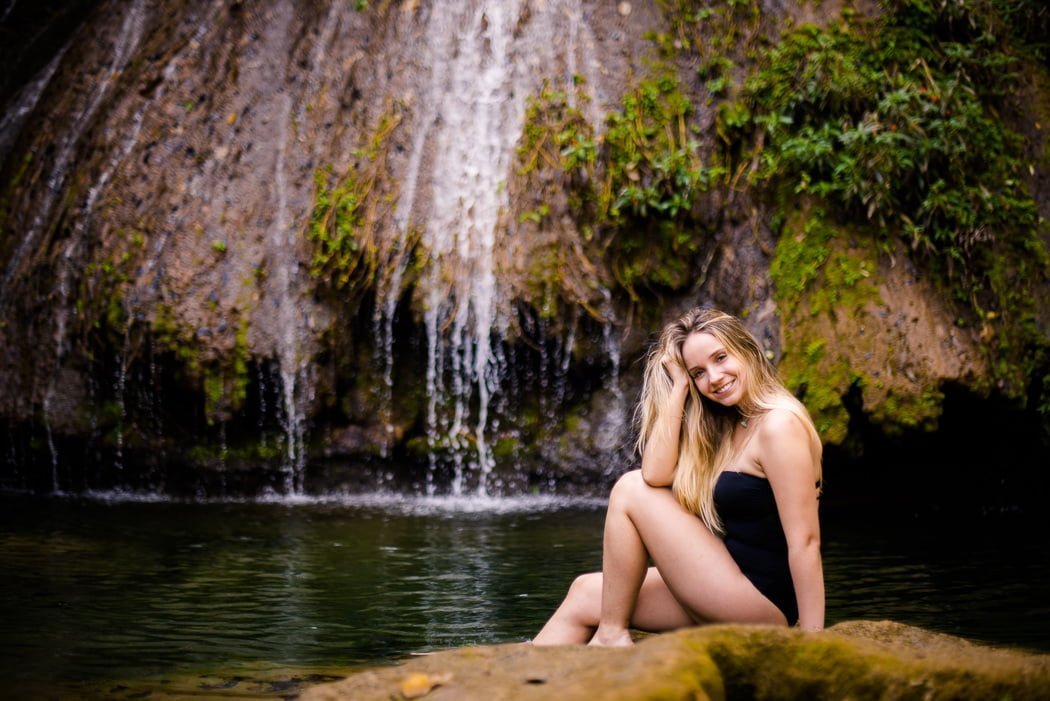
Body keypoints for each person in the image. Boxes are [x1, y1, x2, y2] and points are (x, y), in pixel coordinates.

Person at [532, 308, 824, 646]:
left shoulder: (779, 426)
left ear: (746, 349)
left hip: (761, 602)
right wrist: (679, 387)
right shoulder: (734, 423)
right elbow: (655, 474)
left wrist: (813, 641)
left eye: (721, 358)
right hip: (726, 582)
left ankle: (612, 635)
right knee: (584, 593)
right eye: (699, 372)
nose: (714, 378)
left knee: (629, 489)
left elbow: (805, 541)